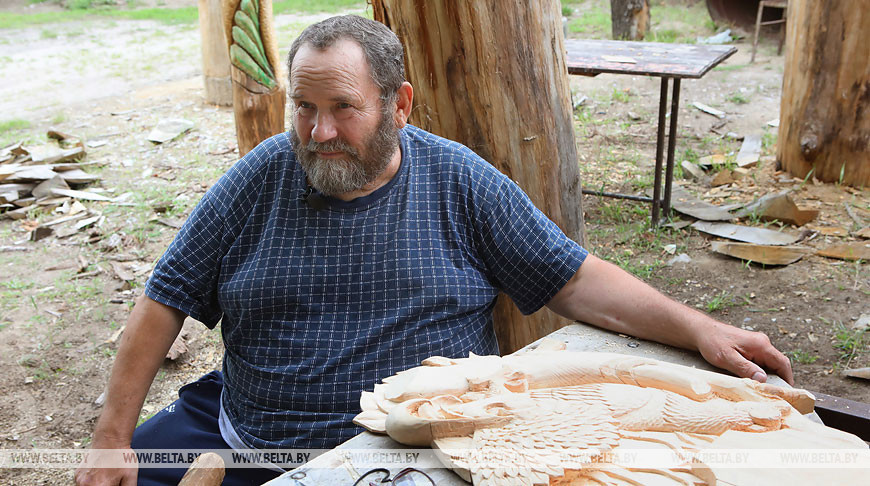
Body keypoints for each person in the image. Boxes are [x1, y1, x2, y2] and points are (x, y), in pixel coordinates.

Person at [76, 14, 793, 486]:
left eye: (343, 109)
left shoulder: (457, 181)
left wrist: (702, 328)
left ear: (401, 105)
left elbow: (573, 280)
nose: (318, 132)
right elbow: (166, 296)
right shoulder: (261, 175)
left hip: (406, 458)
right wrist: (112, 435)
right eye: (304, 107)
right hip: (241, 436)